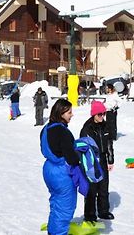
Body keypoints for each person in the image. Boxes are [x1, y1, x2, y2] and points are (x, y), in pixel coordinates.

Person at [40, 98, 79, 235]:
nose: (71, 115)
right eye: (69, 112)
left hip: (49, 169)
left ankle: (53, 231)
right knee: (64, 208)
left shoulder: (46, 128)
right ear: (61, 113)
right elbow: (72, 158)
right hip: (62, 173)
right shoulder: (63, 132)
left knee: (56, 204)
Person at [80, 100, 115, 222]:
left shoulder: (105, 126)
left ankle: (103, 211)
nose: (102, 117)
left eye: (103, 114)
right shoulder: (87, 128)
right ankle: (90, 214)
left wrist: (110, 160)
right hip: (91, 161)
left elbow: (109, 144)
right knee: (92, 188)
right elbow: (82, 147)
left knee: (103, 186)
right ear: (94, 114)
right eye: (100, 114)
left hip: (103, 159)